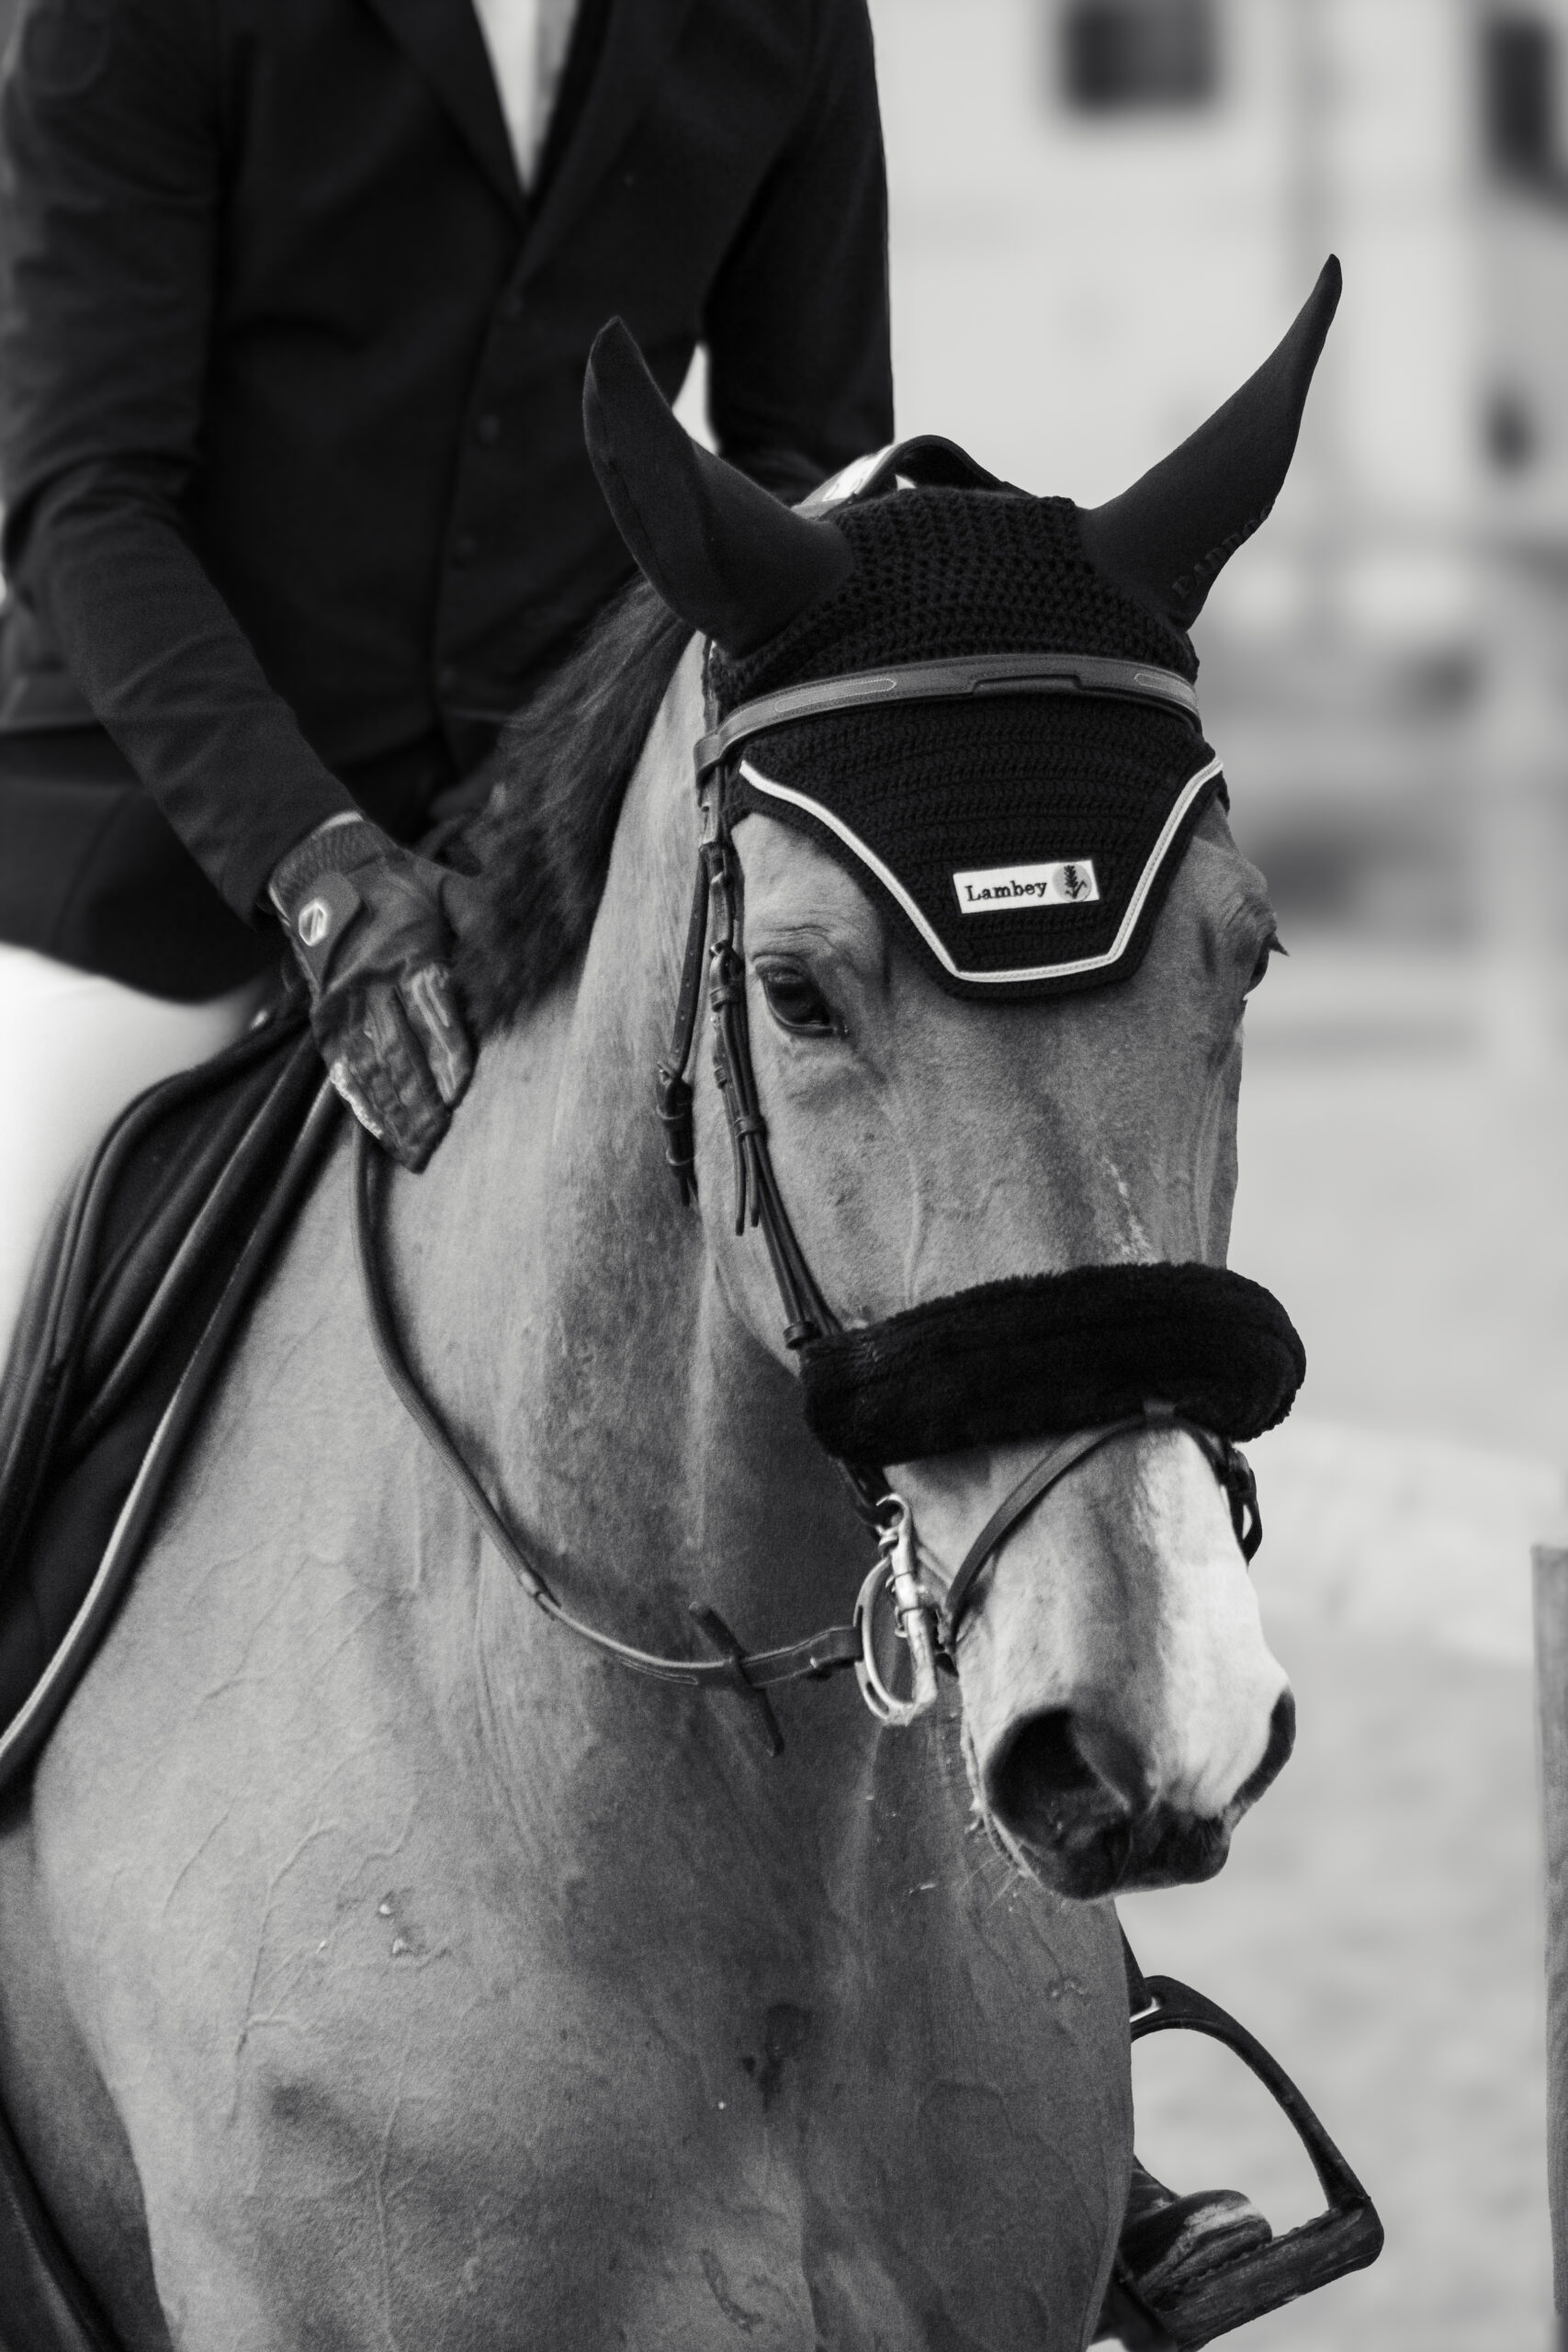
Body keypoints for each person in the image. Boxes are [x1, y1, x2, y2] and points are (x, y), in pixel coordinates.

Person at [0, 0, 893, 1350]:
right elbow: (85, 492)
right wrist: (312, 867)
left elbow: (808, 481)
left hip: (556, 868)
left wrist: (571, 796)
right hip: (160, 854)